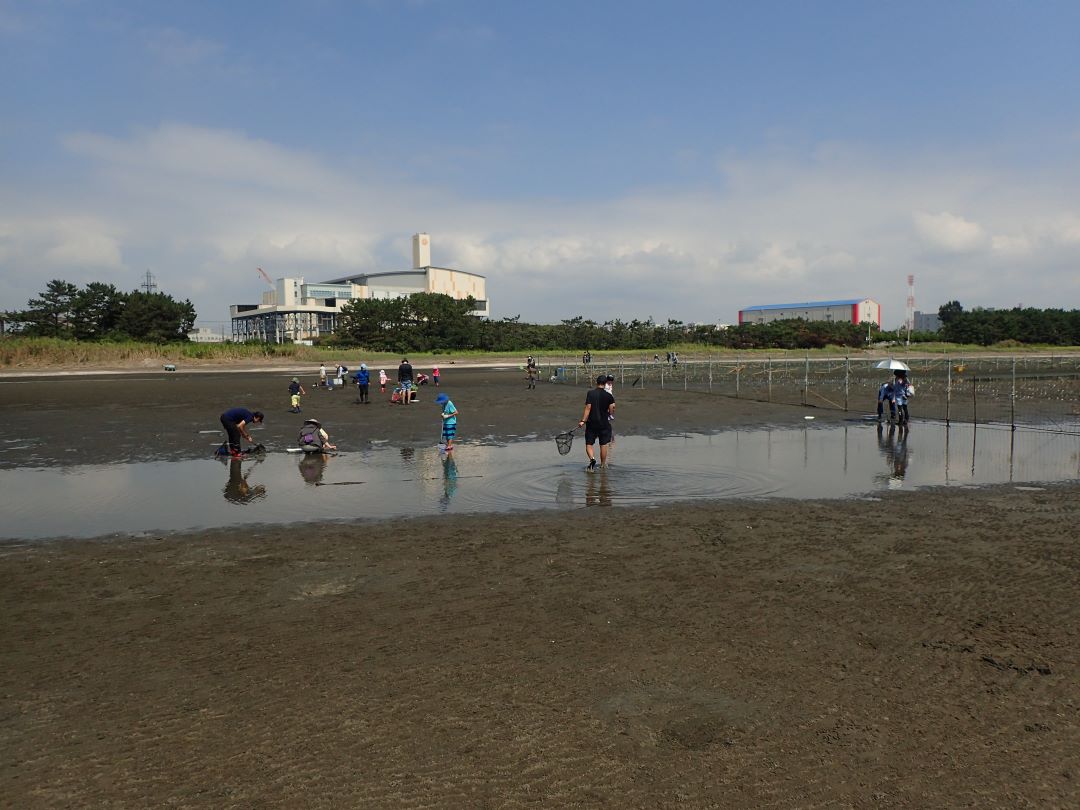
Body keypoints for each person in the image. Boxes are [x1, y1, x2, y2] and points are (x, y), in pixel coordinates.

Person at [578, 374, 615, 471]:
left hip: (592, 423)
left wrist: (583, 421)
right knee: (603, 444)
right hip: (604, 424)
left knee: (589, 444)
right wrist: (610, 414)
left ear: (596, 382)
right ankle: (603, 465)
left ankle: (592, 459)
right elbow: (612, 408)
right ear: (605, 383)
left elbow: (588, 408)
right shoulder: (609, 396)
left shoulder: (590, 393)